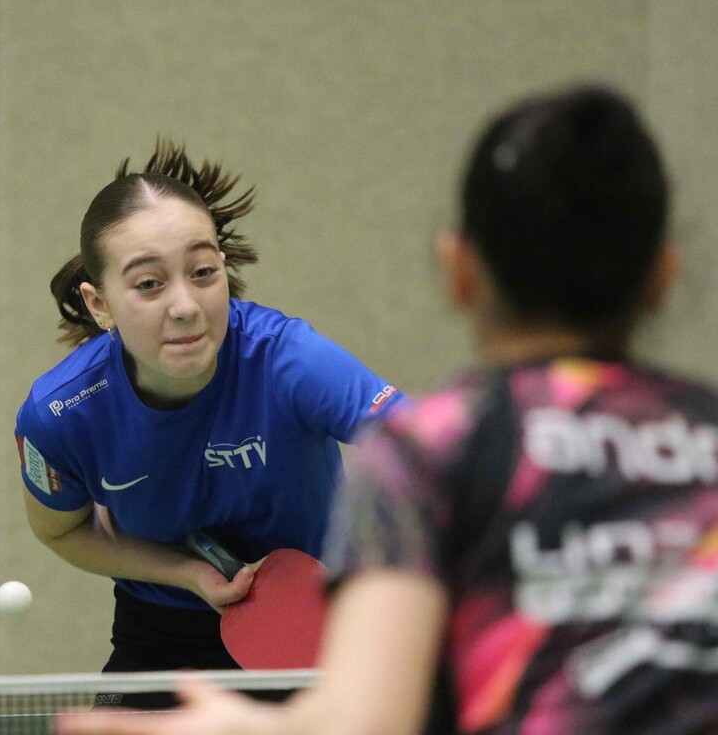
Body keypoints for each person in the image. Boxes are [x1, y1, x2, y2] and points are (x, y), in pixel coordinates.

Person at [57, 85, 718, 735]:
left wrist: (240, 727)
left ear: (458, 271)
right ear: (666, 275)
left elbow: (369, 720)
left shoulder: (432, 453)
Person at [16, 140, 403, 705]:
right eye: (148, 284)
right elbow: (63, 530)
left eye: (202, 272)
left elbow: (431, 456)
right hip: (161, 637)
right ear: (100, 305)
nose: (185, 306)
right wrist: (185, 573)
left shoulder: (288, 362)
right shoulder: (61, 415)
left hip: (319, 624)